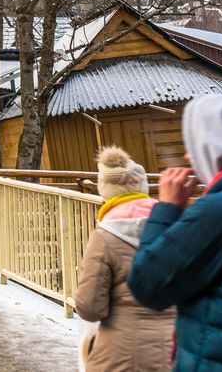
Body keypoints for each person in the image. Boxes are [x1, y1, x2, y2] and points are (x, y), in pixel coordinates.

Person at [127, 94, 222, 371]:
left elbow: (148, 284)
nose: (189, 156)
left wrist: (166, 208)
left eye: (193, 145)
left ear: (214, 148)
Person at [73, 146, 173, 372]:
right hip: (176, 351)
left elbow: (90, 308)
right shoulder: (175, 230)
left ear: (105, 191)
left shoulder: (104, 238)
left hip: (121, 355)